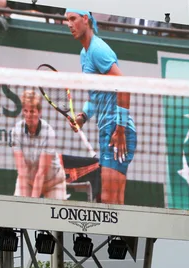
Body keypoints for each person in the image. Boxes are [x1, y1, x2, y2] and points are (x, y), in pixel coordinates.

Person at [66, 9, 136, 205]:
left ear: (85, 19)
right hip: (107, 130)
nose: (69, 24)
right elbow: (95, 96)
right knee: (109, 200)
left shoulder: (98, 50)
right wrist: (83, 117)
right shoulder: (84, 54)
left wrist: (120, 129)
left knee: (111, 200)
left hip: (117, 131)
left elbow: (124, 85)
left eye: (73, 19)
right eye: (67, 20)